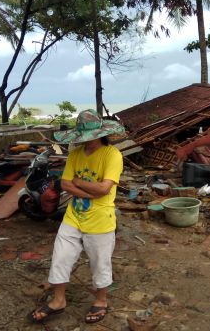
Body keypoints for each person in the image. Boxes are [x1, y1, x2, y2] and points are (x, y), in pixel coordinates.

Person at [27, 109, 124, 325]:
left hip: (100, 219)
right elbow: (65, 184)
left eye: (90, 137)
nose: (87, 142)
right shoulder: (75, 154)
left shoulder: (112, 155)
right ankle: (58, 300)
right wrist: (89, 189)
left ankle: (101, 300)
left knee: (100, 262)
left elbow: (104, 188)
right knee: (61, 257)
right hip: (73, 216)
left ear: (101, 133)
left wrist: (79, 183)